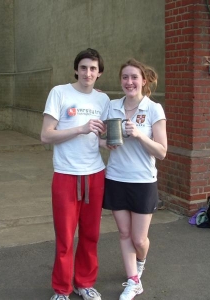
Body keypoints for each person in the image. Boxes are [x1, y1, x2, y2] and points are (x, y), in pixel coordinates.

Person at [41, 48, 110, 300]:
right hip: (66, 175)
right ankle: (62, 289)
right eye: (83, 67)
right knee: (66, 237)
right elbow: (46, 135)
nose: (87, 73)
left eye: (93, 68)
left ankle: (85, 283)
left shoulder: (102, 100)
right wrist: (80, 128)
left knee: (90, 235)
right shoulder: (59, 93)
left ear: (99, 72)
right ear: (75, 69)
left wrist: (106, 144)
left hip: (95, 175)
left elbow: (96, 139)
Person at [101, 58, 167, 300]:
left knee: (139, 239)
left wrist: (139, 135)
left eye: (134, 77)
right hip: (116, 178)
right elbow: (100, 139)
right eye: (125, 77)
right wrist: (106, 142)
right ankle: (134, 281)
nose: (129, 82)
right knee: (123, 233)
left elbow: (162, 151)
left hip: (143, 180)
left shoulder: (153, 109)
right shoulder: (112, 106)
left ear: (144, 80)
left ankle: (140, 263)